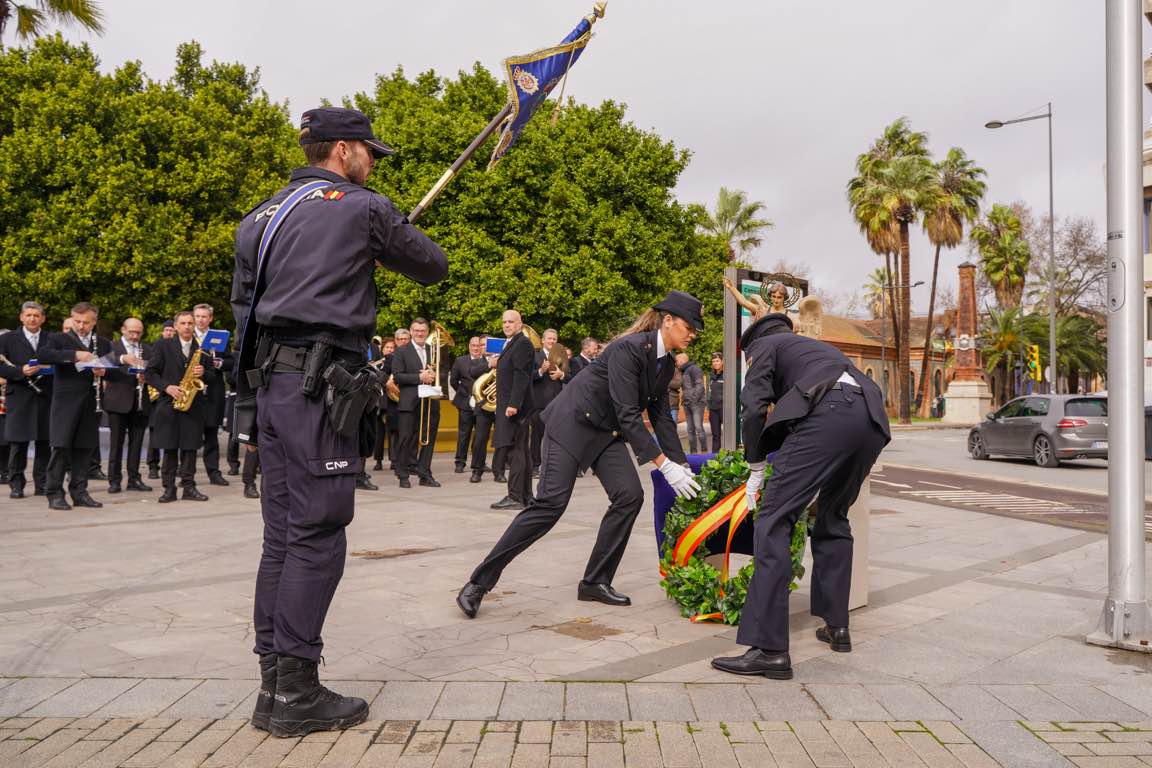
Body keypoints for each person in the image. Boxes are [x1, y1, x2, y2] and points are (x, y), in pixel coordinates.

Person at [230, 106, 447, 737]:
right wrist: (380, 238)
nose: (373, 162)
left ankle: (274, 685)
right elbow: (432, 264)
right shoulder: (363, 206)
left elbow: (245, 314)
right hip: (319, 390)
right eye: (370, 152)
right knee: (319, 532)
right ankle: (297, 689)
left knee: (282, 535)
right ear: (345, 150)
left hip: (273, 386)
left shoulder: (261, 216)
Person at [457, 291, 705, 618]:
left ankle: (595, 581)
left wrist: (681, 464)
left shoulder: (665, 362)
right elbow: (628, 413)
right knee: (550, 506)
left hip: (605, 433)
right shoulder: (628, 349)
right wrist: (662, 465)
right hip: (570, 425)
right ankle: (478, 583)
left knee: (630, 496)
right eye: (690, 326)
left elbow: (660, 417)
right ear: (669, 320)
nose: (693, 334)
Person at [711, 312, 890, 680]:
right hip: (871, 418)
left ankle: (769, 649)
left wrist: (756, 466)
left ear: (751, 347)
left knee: (773, 519)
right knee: (833, 515)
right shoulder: (816, 349)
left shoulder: (764, 348)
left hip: (828, 414)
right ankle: (836, 626)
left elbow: (754, 406)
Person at [37, 302, 117, 510]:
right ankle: (54, 493)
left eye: (86, 322)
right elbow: (43, 355)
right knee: (61, 447)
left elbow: (115, 369)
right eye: (77, 321)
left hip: (91, 402)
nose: (81, 326)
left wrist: (105, 371)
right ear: (72, 318)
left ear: (94, 322)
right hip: (66, 402)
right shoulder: (58, 338)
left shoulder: (103, 342)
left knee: (84, 448)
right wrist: (74, 355)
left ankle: (80, 492)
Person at [146, 311, 210, 503]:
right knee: (170, 448)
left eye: (190, 323)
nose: (187, 326)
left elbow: (213, 376)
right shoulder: (162, 345)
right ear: (175, 326)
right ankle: (169, 489)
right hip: (169, 404)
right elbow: (150, 373)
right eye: (183, 323)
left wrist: (204, 371)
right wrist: (167, 387)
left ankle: (189, 487)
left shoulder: (202, 348)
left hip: (193, 406)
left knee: (190, 449)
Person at [0, 301, 53, 498]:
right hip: (20, 396)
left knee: (44, 442)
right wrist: (19, 371)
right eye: (28, 315)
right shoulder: (7, 339)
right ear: (21, 317)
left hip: (45, 396)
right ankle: (16, 484)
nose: (32, 318)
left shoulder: (51, 338)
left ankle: (42, 484)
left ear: (43, 319)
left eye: (36, 315)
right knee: (18, 443)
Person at [490, 311, 536, 511]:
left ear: (520, 324)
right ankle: (526, 496)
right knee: (521, 452)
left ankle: (515, 496)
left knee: (515, 452)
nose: (506, 325)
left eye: (511, 321)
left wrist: (514, 404)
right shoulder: (511, 343)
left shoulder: (522, 343)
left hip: (515, 408)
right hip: (512, 406)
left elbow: (521, 376)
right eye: (504, 322)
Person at [391, 318, 444, 489]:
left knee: (429, 440)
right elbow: (398, 376)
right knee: (405, 438)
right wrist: (419, 377)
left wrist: (434, 375)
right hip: (409, 401)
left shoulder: (433, 350)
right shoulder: (402, 351)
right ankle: (402, 474)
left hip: (430, 401)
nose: (420, 333)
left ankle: (424, 473)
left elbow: (443, 372)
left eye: (423, 330)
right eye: (416, 330)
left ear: (427, 331)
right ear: (411, 331)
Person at [104, 317, 152, 493]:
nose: (135, 335)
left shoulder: (147, 348)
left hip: (140, 401)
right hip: (117, 401)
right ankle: (114, 480)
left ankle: (134, 478)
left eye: (138, 332)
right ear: (123, 330)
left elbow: (155, 369)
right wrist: (124, 358)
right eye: (131, 331)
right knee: (116, 443)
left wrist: (147, 375)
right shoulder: (112, 346)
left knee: (137, 443)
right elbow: (104, 365)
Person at [193, 304, 233, 487]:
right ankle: (187, 473)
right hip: (192, 391)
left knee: (211, 435)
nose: (200, 320)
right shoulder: (187, 336)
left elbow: (231, 361)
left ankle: (214, 473)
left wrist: (220, 363)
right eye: (198, 316)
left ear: (210, 318)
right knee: (190, 434)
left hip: (213, 391)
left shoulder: (219, 337)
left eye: (204, 317)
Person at [450, 336, 488, 476]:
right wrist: (464, 394)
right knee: (464, 433)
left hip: (482, 404)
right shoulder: (460, 361)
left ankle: (480, 463)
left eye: (478, 345)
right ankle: (460, 462)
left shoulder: (488, 361)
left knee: (480, 435)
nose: (476, 348)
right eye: (473, 345)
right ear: (469, 346)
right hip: (465, 402)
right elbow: (454, 381)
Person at [530, 328, 566, 476]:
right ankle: (535, 466)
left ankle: (553, 465)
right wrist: (540, 371)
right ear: (542, 341)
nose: (551, 341)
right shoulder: (534, 356)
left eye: (554, 339)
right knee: (537, 437)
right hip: (539, 404)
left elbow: (570, 376)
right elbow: (526, 377)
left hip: (557, 403)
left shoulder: (561, 356)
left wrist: (561, 374)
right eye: (549, 339)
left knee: (556, 437)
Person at [147, 320, 177, 480]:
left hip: (169, 396)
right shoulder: (157, 346)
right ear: (162, 332)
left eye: (172, 330)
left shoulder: (177, 348)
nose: (169, 333)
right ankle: (153, 465)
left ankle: (170, 466)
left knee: (169, 434)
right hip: (156, 395)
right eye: (167, 330)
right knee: (155, 432)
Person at [677, 353, 706, 454]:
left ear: (682, 360)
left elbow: (700, 385)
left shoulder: (694, 369)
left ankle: (704, 451)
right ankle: (693, 452)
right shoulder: (684, 371)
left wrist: (693, 399)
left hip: (697, 403)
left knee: (698, 427)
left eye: (677, 360)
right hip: (687, 403)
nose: (676, 363)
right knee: (690, 429)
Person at [708, 352, 724, 452]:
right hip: (713, 409)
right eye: (713, 361)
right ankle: (715, 457)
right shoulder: (711, 375)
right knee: (715, 435)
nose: (715, 363)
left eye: (717, 361)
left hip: (724, 408)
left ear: (722, 362)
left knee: (728, 435)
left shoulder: (727, 374)